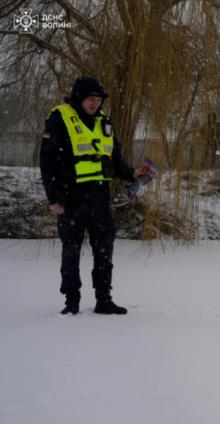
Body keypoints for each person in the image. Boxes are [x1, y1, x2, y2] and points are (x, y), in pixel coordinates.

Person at [40, 76, 149, 315]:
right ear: (79, 97)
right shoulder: (60, 119)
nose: (94, 104)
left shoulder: (104, 123)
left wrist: (133, 175)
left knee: (104, 250)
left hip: (100, 196)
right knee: (71, 250)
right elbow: (47, 162)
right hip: (71, 196)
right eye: (91, 99)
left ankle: (103, 299)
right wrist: (54, 198)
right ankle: (72, 301)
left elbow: (115, 160)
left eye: (98, 100)